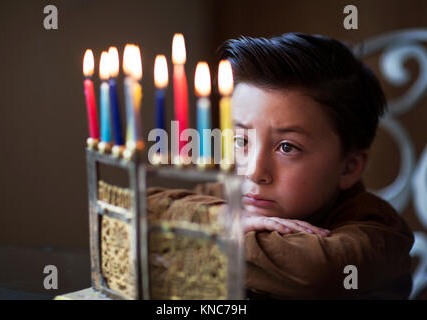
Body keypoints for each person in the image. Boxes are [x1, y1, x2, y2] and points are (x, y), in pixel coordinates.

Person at [147, 33, 414, 299]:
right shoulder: (228, 198)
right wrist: (222, 217)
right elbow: (138, 206)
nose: (253, 171)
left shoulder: (380, 236)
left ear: (349, 167)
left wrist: (194, 228)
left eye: (287, 147)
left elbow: (313, 271)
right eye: (241, 140)